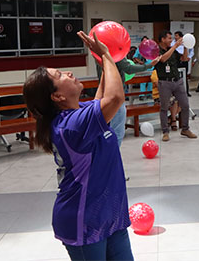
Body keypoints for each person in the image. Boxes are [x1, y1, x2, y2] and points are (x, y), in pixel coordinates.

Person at [22, 31, 133, 260]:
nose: (69, 73)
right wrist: (108, 57)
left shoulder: (79, 113)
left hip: (110, 214)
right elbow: (114, 99)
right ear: (56, 97)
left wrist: (105, 59)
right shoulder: (71, 126)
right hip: (84, 221)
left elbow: (102, 98)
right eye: (60, 75)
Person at [96, 56, 159, 147]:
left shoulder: (98, 53)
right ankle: (113, 156)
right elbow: (128, 68)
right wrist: (149, 65)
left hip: (104, 95)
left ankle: (108, 155)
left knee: (107, 130)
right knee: (117, 131)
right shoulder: (114, 53)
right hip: (116, 96)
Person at [154, 32, 197, 141]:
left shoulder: (173, 50)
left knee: (185, 105)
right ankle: (165, 131)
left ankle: (185, 129)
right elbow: (163, 59)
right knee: (164, 108)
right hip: (164, 82)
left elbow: (184, 58)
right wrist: (175, 46)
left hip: (177, 81)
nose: (171, 40)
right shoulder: (156, 50)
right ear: (163, 39)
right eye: (169, 38)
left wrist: (186, 47)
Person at [171, 31, 192, 96]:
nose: (175, 37)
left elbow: (191, 50)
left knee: (184, 76)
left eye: (177, 36)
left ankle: (186, 91)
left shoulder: (185, 42)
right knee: (177, 76)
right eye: (175, 36)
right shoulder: (173, 43)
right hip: (176, 60)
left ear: (180, 37)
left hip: (184, 60)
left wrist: (189, 57)